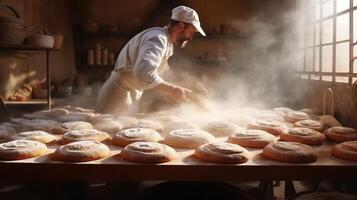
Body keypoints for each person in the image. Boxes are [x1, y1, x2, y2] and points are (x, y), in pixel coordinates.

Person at [96, 5, 206, 114]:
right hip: (117, 97)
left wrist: (185, 90)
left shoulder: (164, 40)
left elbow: (153, 75)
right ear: (181, 27)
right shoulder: (157, 39)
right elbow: (144, 73)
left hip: (127, 95)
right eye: (191, 32)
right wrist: (173, 90)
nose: (191, 37)